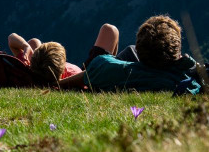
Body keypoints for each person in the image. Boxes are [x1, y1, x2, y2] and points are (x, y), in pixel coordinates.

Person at [59, 16, 201, 94]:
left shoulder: (106, 68)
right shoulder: (185, 83)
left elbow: (88, 74)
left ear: (140, 49)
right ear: (176, 52)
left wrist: (55, 84)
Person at [7, 33, 83, 85]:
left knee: (34, 42)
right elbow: (85, 74)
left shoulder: (30, 71)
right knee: (35, 42)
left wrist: (26, 46)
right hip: (59, 73)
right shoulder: (74, 73)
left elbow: (11, 38)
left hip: (43, 72)